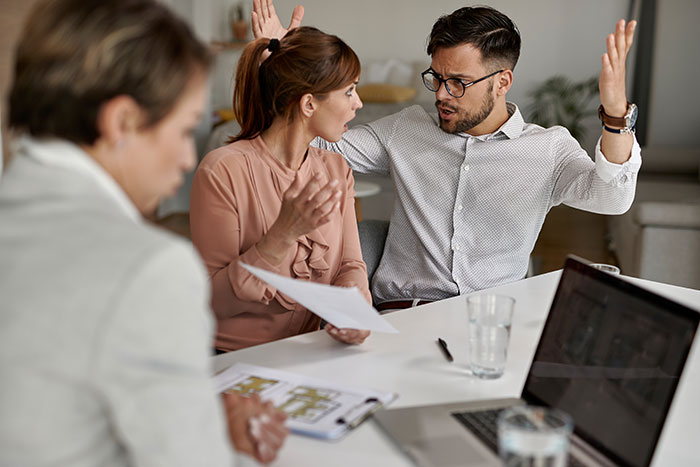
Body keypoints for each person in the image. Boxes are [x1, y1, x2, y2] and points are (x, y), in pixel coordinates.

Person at [0, 0, 287, 465]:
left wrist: (191, 411)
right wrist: (223, 444)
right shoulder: (149, 269)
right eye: (183, 130)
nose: (186, 160)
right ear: (123, 121)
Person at [253, 1, 641, 310]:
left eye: (457, 82)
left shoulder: (548, 149)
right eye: (437, 78)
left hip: (487, 323)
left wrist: (615, 116)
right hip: (402, 314)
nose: (440, 94)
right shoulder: (406, 129)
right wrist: (279, 69)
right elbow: (314, 144)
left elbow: (612, 198)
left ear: (502, 81)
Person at [189, 26, 371, 351]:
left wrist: (355, 313)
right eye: (349, 91)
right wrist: (281, 236)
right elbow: (210, 302)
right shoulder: (223, 169)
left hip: (311, 351)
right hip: (233, 360)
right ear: (309, 104)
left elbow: (349, 265)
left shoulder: (336, 169)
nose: (358, 103)